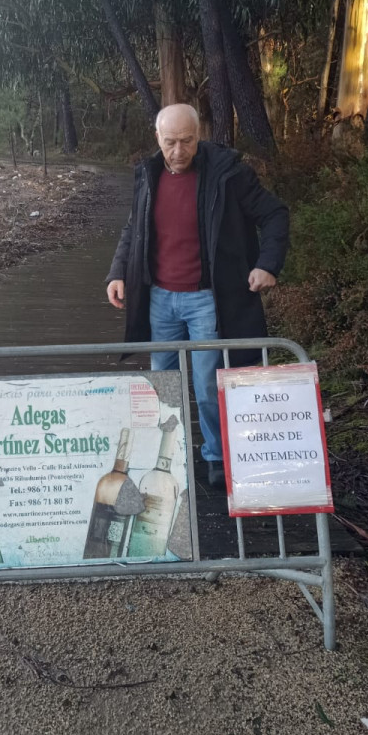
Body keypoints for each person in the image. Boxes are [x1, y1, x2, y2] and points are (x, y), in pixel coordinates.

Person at [105, 103, 289, 486]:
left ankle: (217, 456)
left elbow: (274, 214)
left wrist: (267, 264)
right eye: (169, 142)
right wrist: (118, 272)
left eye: (186, 141)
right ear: (157, 138)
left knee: (208, 385)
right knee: (163, 385)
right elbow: (132, 229)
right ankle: (167, 459)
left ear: (198, 134)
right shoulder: (149, 174)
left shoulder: (227, 173)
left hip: (207, 299)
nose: (177, 151)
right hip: (160, 300)